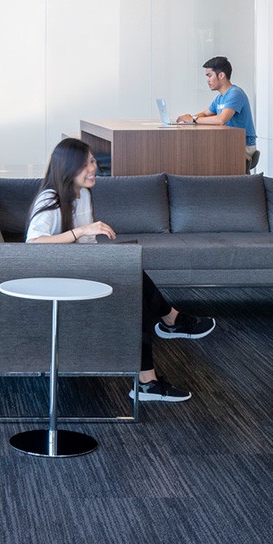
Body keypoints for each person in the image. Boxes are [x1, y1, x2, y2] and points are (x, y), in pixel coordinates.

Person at [26, 137, 215, 404]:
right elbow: (33, 244)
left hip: (79, 267)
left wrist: (103, 256)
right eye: (86, 164)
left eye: (92, 161)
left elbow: (87, 245)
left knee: (130, 275)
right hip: (55, 278)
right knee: (130, 281)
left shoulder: (83, 195)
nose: (94, 168)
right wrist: (81, 231)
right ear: (68, 168)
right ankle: (170, 323)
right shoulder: (51, 198)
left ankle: (150, 375)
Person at [176, 55, 257, 172]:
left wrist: (193, 120)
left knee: (201, 157)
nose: (207, 80)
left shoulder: (235, 93)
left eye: (209, 76)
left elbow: (221, 120)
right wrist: (188, 119)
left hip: (243, 146)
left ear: (221, 75)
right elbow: (205, 113)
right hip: (228, 142)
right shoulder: (220, 98)